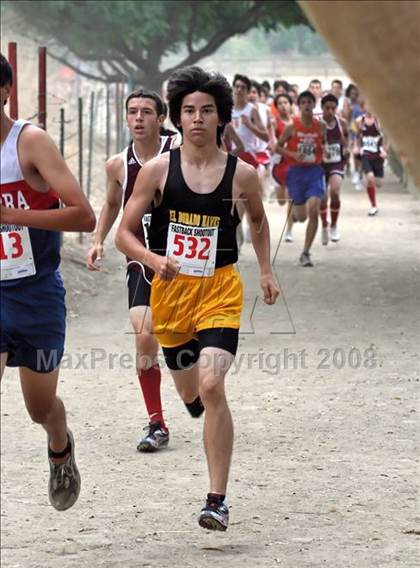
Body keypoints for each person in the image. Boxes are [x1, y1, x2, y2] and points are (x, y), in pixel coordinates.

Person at [115, 66, 279, 531]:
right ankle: (190, 405)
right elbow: (122, 235)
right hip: (170, 294)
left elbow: (260, 224)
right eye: (189, 111)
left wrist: (265, 270)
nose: (198, 119)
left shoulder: (242, 176)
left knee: (211, 386)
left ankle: (216, 499)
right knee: (190, 391)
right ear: (180, 119)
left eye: (207, 110)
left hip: (220, 289)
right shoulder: (157, 171)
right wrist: (153, 259)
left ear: (222, 117)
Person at [0, 53, 96, 510]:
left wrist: (11, 214)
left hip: (36, 293)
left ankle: (60, 445)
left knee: (40, 407)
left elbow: (83, 215)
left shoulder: (30, 143)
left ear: (5, 93)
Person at [86, 90, 180, 452]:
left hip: (185, 260)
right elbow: (112, 203)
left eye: (146, 112)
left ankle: (198, 386)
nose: (138, 118)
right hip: (142, 258)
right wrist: (98, 240)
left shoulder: (180, 149)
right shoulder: (117, 164)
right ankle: (156, 422)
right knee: (143, 333)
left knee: (183, 340)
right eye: (132, 112)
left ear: (161, 117)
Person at [275, 90, 327, 267]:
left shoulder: (321, 126)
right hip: (296, 173)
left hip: (314, 172)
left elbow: (324, 144)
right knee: (302, 216)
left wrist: (324, 154)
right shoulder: (292, 126)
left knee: (314, 210)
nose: (306, 105)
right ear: (299, 106)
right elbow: (277, 147)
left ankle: (305, 253)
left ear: (314, 105)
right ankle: (297, 215)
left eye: (309, 102)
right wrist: (293, 153)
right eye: (303, 102)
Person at [320, 93, 349, 244]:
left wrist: (346, 149)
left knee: (335, 191)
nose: (330, 111)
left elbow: (347, 140)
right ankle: (324, 225)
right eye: (327, 108)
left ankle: (334, 225)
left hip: (336, 162)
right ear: (322, 108)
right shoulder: (316, 123)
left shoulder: (341, 123)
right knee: (323, 197)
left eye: (333, 108)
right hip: (320, 165)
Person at [354, 104, 387, 215]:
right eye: (367, 105)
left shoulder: (380, 121)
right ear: (364, 107)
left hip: (378, 155)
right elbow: (357, 136)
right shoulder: (360, 120)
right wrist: (356, 147)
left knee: (379, 183)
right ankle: (373, 205)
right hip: (366, 154)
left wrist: (385, 150)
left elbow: (388, 136)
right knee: (370, 178)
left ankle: (373, 185)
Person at [271, 93, 294, 242]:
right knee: (281, 201)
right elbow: (273, 145)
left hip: (293, 164)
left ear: (291, 104)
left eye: (286, 102)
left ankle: (289, 231)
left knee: (291, 199)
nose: (283, 105)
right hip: (279, 164)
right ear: (276, 107)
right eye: (280, 103)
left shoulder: (297, 122)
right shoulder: (274, 122)